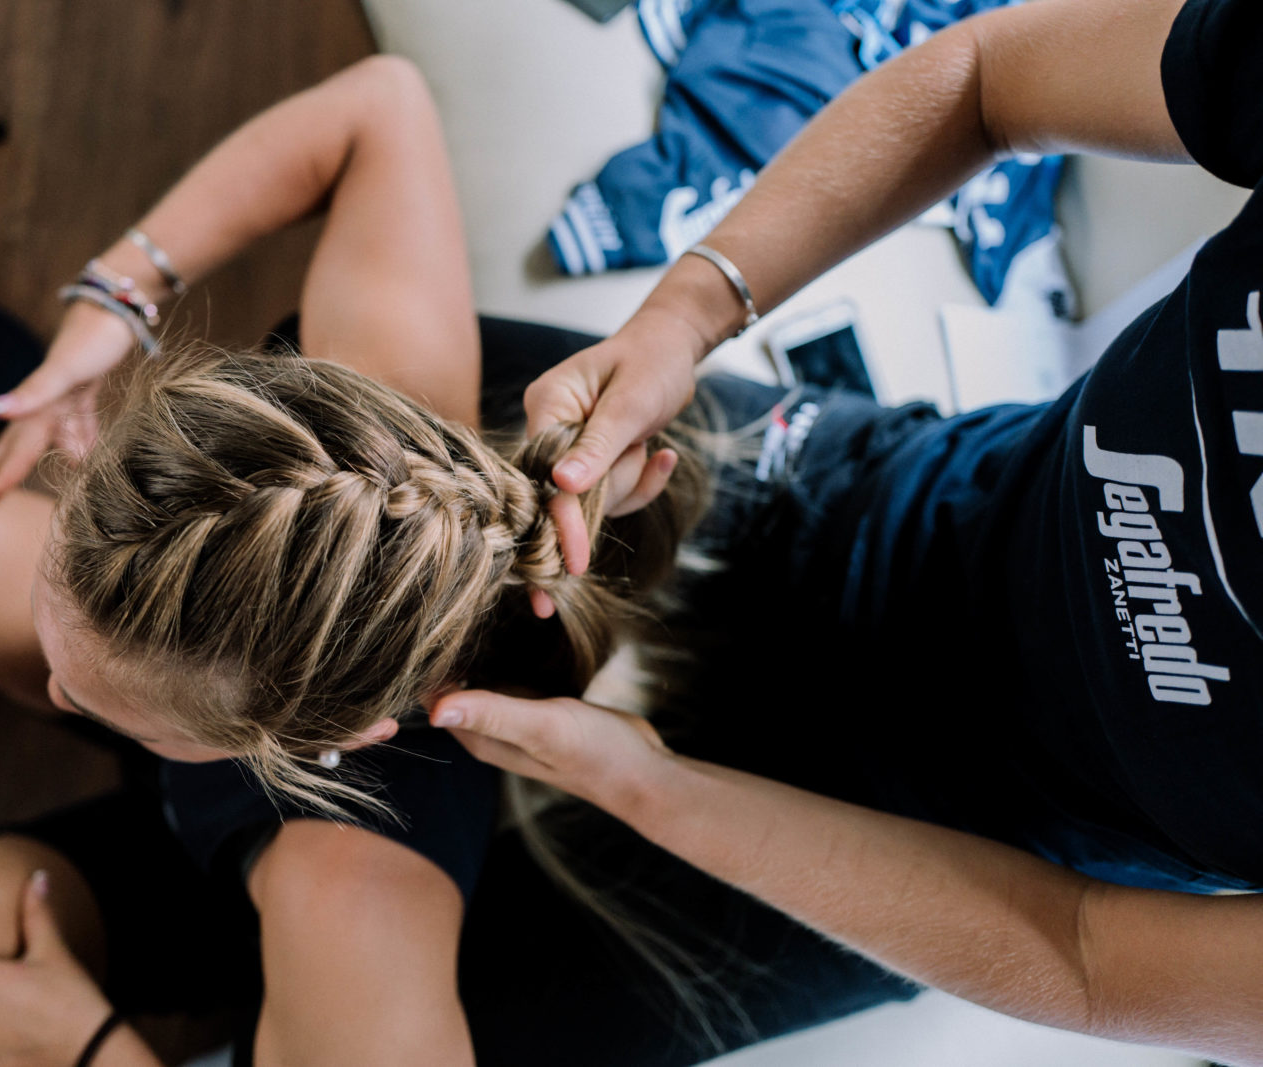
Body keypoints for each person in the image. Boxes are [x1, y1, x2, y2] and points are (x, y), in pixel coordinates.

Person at [0, 54, 915, 1067]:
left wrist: (89, 1046)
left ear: (330, 735)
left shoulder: (352, 912)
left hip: (332, 886)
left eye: (84, 693)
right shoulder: (363, 422)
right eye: (68, 645)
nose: (50, 685)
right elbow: (379, 102)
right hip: (263, 717)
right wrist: (117, 292)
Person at [427, 0, 1263, 1063]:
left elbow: (1084, 954)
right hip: (864, 494)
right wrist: (684, 317)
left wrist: (650, 788)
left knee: (399, 1014)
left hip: (949, 842)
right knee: (335, 405)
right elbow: (986, 81)